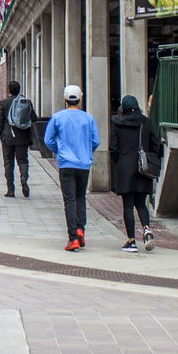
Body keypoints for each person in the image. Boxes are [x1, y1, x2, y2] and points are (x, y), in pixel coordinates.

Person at [44, 84, 99, 251]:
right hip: (84, 163)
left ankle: (73, 237)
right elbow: (95, 141)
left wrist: (59, 151)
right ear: (80, 99)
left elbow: (48, 140)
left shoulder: (58, 117)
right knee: (81, 197)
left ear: (65, 99)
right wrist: (86, 151)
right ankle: (81, 228)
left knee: (69, 200)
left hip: (66, 163)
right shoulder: (88, 118)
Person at [109, 94, 162, 252]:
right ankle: (146, 229)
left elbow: (113, 147)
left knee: (128, 205)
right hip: (142, 167)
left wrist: (119, 161)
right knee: (141, 203)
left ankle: (131, 241)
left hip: (125, 167)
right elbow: (155, 145)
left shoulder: (117, 123)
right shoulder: (145, 122)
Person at [0, 80, 35, 198]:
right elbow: (34, 117)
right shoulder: (26, 102)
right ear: (19, 90)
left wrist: (0, 133)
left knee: (8, 162)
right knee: (23, 160)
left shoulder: (4, 103)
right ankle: (23, 179)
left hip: (8, 137)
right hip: (23, 137)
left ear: (9, 90)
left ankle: (10, 189)